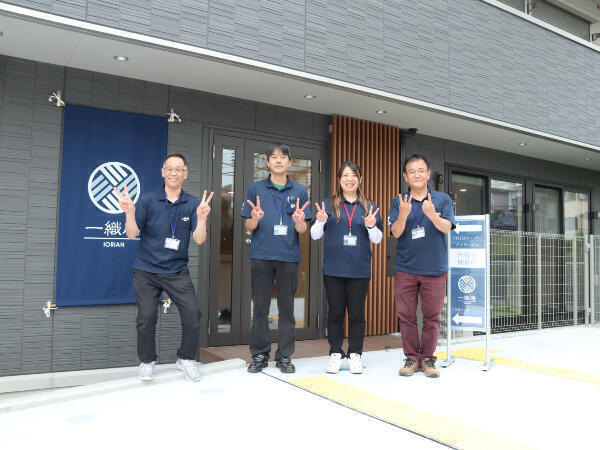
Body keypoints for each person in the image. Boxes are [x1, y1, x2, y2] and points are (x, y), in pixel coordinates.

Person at [114, 153, 213, 382]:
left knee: (193, 313)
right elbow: (132, 233)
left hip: (177, 271)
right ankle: (147, 361)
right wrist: (129, 212)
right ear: (162, 172)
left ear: (185, 174)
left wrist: (203, 218)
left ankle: (186, 359)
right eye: (169, 168)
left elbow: (199, 239)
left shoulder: (192, 204)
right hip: (146, 270)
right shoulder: (148, 200)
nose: (173, 173)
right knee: (146, 316)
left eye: (178, 169)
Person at [241, 144, 311, 374]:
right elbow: (249, 226)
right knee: (260, 308)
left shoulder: (299, 190)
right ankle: (260, 355)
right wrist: (254, 218)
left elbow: (302, 229)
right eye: (274, 157)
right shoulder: (255, 189)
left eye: (283, 157)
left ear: (290, 162)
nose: (278, 161)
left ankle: (284, 356)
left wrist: (300, 220)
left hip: (288, 257)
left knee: (287, 309)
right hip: (261, 256)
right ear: (268, 163)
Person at [311, 161, 383, 374]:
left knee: (357, 315)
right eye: (345, 175)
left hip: (359, 270)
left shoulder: (369, 206)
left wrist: (371, 225)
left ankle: (355, 354)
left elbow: (377, 239)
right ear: (339, 180)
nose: (349, 179)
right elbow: (315, 235)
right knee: (335, 313)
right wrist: (320, 222)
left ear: (360, 179)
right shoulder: (329, 204)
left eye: (353, 175)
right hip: (333, 270)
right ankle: (335, 353)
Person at [388, 153, 455, 378]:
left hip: (434, 269)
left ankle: (427, 358)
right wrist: (403, 216)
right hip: (405, 268)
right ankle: (411, 358)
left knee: (432, 316)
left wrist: (432, 215)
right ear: (405, 176)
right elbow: (395, 232)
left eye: (420, 171)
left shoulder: (442, 199)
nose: (416, 175)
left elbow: (447, 227)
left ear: (428, 173)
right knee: (406, 315)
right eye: (411, 171)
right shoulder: (399, 201)